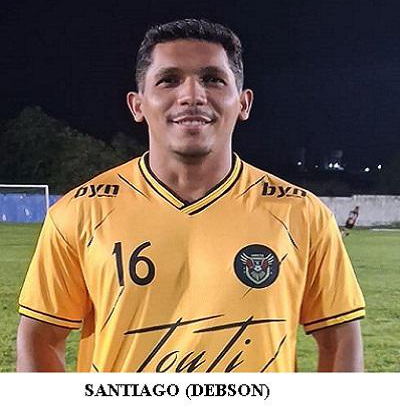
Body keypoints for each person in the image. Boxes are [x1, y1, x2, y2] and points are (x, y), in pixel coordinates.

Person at [16, 19, 365, 372]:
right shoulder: (80, 212)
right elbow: (40, 337)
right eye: (169, 80)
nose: (192, 96)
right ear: (137, 105)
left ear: (243, 103)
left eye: (213, 79)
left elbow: (339, 339)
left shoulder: (301, 214)